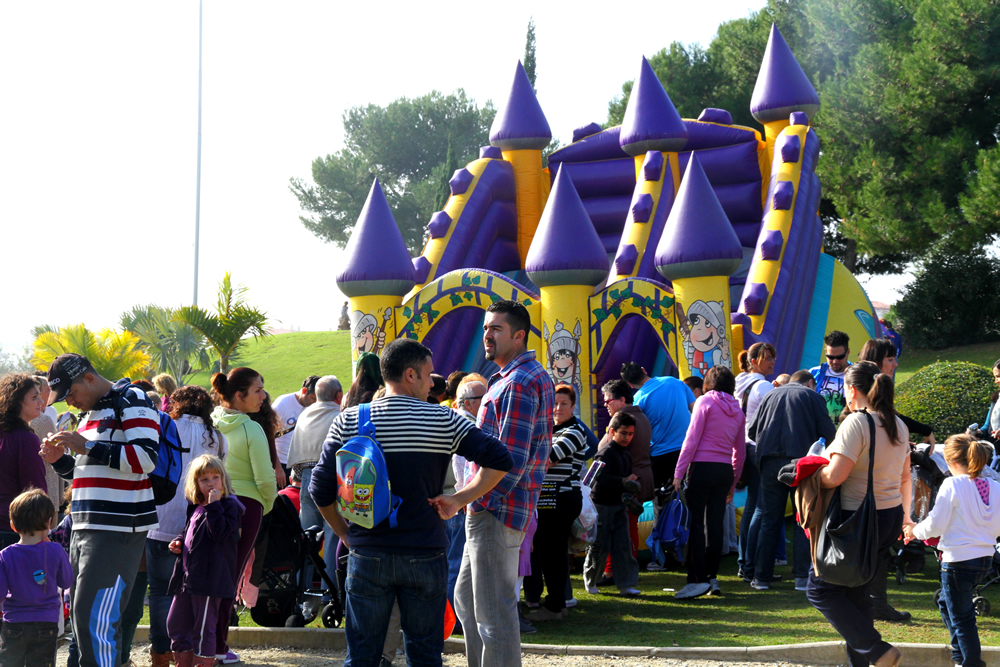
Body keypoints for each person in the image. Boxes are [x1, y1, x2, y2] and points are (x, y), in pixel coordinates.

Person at [309, 338, 514, 667]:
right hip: (424, 551)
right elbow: (501, 459)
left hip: (368, 553)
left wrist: (345, 533)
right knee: (425, 655)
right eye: (429, 374)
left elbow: (319, 490)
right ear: (410, 375)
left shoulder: (349, 419)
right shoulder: (443, 421)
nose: (434, 381)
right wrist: (459, 499)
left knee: (362, 656)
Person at [38, 354, 160, 667]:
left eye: (71, 394)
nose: (70, 403)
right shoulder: (91, 413)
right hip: (85, 525)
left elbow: (145, 459)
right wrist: (59, 461)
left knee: (96, 618)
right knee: (83, 616)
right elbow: (87, 473)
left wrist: (86, 446)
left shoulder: (132, 399)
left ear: (89, 379)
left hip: (116, 528)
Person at [455, 300, 554, 667]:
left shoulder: (519, 382)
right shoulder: (510, 379)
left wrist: (465, 498)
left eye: (495, 328)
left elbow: (509, 463)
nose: (487, 335)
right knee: (467, 599)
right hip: (489, 508)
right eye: (485, 328)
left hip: (496, 510)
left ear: (519, 335)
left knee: (493, 615)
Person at [809, 361, 911, 667]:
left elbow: (835, 477)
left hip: (857, 519)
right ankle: (865, 661)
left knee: (821, 591)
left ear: (851, 389)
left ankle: (877, 650)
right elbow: (906, 476)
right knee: (856, 592)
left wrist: (814, 470)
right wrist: (906, 517)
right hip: (887, 515)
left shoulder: (857, 423)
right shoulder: (898, 424)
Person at [144, 385, 227, 667]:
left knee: (160, 591)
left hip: (161, 516)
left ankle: (160, 654)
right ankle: (190, 653)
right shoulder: (216, 438)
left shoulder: (165, 426)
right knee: (194, 596)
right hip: (199, 524)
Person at [905, 435, 1000, 667]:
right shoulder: (995, 486)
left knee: (962, 617)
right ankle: (961, 658)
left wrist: (914, 530)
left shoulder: (952, 484)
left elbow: (936, 524)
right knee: (947, 603)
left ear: (949, 461)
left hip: (958, 561)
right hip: (985, 559)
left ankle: (970, 662)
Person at [746, 370, 836, 591]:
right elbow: (829, 432)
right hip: (800, 464)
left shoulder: (770, 395)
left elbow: (752, 430)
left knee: (769, 519)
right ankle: (801, 578)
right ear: (810, 383)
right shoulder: (812, 397)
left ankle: (761, 578)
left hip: (768, 462)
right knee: (802, 518)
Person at [210, 367, 276, 665]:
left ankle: (204, 640)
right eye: (258, 390)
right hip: (247, 506)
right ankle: (218, 645)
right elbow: (265, 478)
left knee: (208, 576)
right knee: (229, 576)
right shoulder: (251, 428)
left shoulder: (210, 421)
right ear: (239, 396)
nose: (263, 396)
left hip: (210, 503)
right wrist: (267, 504)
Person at [673, 366, 746, 599]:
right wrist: (733, 483)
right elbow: (740, 452)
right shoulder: (738, 411)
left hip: (701, 468)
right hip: (724, 470)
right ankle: (712, 576)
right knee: (715, 525)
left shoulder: (704, 402)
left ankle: (697, 578)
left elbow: (691, 440)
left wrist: (678, 472)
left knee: (695, 523)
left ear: (708, 383)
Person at [166, 455, 244, 667]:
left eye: (215, 477)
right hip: (188, 577)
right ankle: (184, 662)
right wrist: (180, 541)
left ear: (223, 480)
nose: (211, 483)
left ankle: (203, 662)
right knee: (176, 623)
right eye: (204, 479)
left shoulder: (229, 506)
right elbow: (190, 532)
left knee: (203, 628)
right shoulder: (196, 506)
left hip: (210, 581)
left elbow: (220, 533)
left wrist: (214, 505)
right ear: (196, 484)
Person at [524, 384, 586, 622]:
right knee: (550, 553)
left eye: (564, 404)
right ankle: (555, 605)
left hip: (562, 499)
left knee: (553, 553)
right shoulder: (549, 429)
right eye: (554, 404)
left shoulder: (574, 431)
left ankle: (554, 606)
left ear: (572, 407)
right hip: (547, 499)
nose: (558, 408)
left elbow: (546, 458)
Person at [0, 489, 72, 667]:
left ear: (13, 525)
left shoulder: (5, 555)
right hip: (46, 621)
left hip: (14, 622)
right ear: (49, 522)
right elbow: (66, 582)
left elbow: (0, 592)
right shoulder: (56, 551)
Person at [287, 375, 343, 585]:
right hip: (331, 478)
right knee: (332, 535)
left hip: (307, 479)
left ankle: (301, 591)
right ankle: (331, 592)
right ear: (338, 396)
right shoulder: (339, 414)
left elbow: (296, 457)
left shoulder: (304, 414)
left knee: (307, 538)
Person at [620, 362, 695, 511]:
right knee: (692, 501)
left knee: (662, 504)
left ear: (630, 384)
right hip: (689, 451)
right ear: (643, 369)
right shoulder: (675, 382)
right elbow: (696, 411)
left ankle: (663, 533)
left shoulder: (638, 400)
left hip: (661, 458)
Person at [598, 379, 653, 574]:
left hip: (627, 482)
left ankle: (614, 570)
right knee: (630, 527)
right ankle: (628, 568)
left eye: (608, 400)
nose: (605, 405)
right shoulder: (642, 416)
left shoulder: (621, 418)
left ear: (621, 400)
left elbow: (603, 448)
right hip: (642, 477)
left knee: (618, 527)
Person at [733, 343, 777, 582]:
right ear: (753, 361)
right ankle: (750, 564)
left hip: (743, 447)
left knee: (752, 505)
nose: (771, 362)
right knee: (760, 506)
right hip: (759, 448)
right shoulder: (763, 386)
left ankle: (745, 562)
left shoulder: (740, 381)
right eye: (767, 358)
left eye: (772, 358)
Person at [583, 412, 640, 597]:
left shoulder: (626, 454)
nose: (627, 437)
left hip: (619, 505)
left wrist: (630, 490)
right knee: (599, 546)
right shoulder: (605, 452)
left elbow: (626, 480)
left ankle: (626, 584)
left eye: (631, 434)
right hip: (601, 506)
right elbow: (594, 479)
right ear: (613, 431)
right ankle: (590, 581)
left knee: (623, 545)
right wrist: (623, 481)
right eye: (623, 433)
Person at [0, 374, 49, 551]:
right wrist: (44, 530)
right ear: (17, 401)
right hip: (16, 530)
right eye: (34, 397)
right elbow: (35, 490)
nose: (41, 402)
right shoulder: (25, 439)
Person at [272, 376, 320, 479]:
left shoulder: (313, 407)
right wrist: (277, 468)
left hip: (300, 463)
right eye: (313, 398)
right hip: (281, 463)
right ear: (304, 391)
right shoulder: (283, 404)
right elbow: (268, 436)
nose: (315, 402)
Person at [810, 330, 852, 426]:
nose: (835, 361)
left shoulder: (857, 376)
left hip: (845, 433)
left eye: (840, 357)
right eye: (830, 357)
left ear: (848, 352)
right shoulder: (814, 373)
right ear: (825, 352)